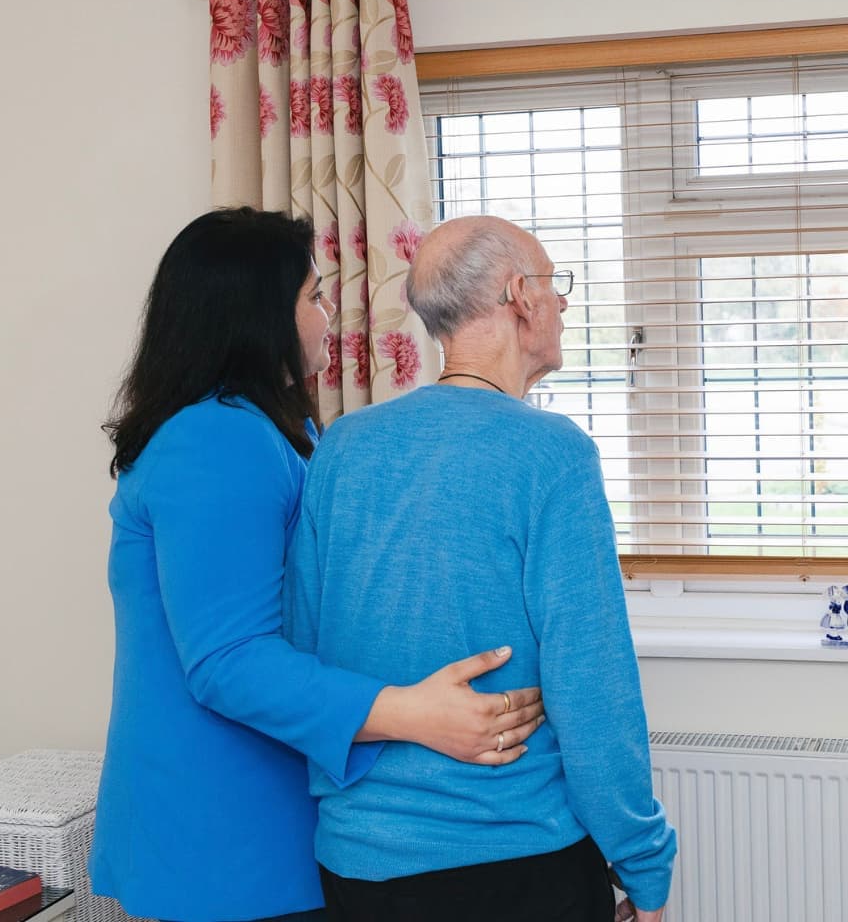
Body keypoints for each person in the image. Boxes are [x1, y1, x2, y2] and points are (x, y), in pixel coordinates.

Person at [89, 207, 546, 922]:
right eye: (314, 296)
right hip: (226, 827)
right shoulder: (215, 440)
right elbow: (228, 660)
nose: (330, 315)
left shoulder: (276, 430)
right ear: (257, 315)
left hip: (264, 811)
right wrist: (414, 714)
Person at [283, 214, 677, 922]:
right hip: (512, 862)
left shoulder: (344, 447)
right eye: (557, 286)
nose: (562, 304)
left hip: (357, 866)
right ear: (521, 295)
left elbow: (302, 653)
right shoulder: (552, 455)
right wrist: (642, 862)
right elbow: (592, 685)